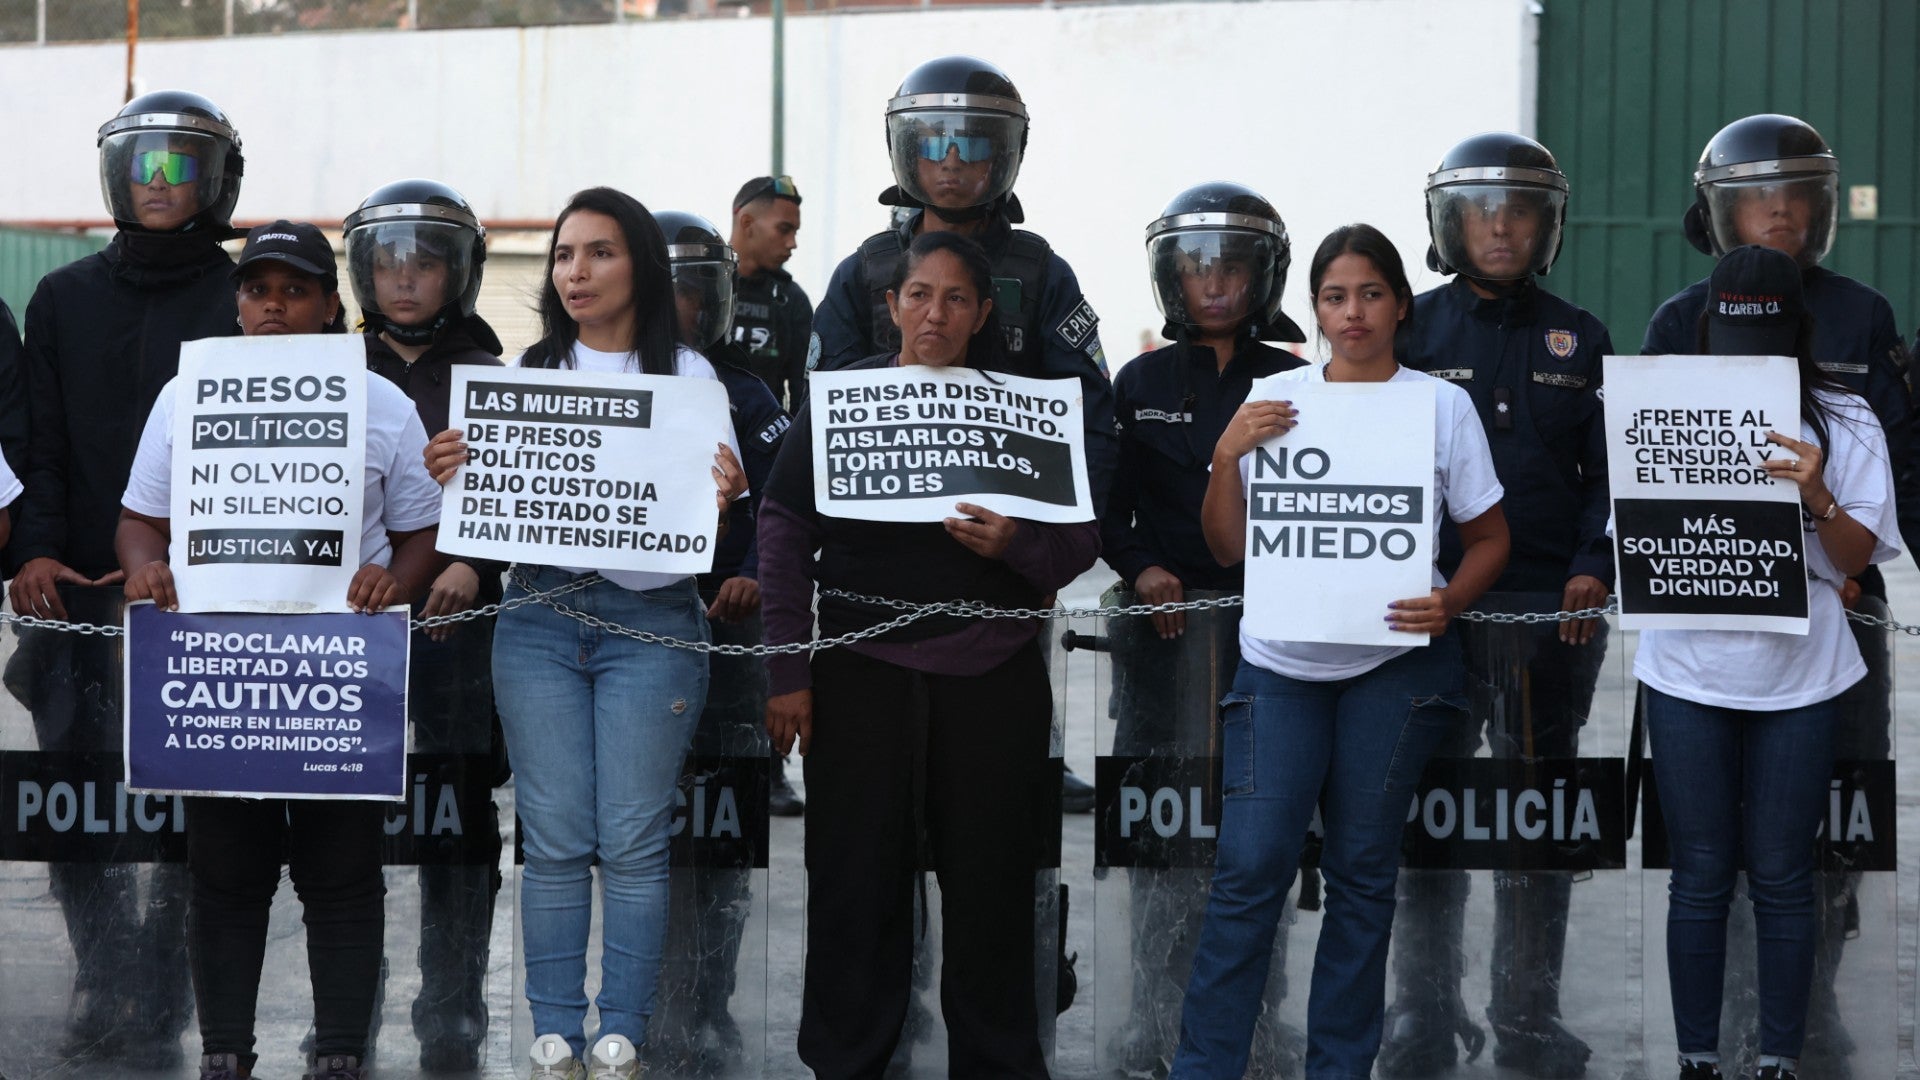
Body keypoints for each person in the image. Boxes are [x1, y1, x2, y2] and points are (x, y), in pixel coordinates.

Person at [1170, 224, 1509, 1079]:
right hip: (1280, 666)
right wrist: (1226, 453)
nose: (1352, 312)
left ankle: (1338, 1069)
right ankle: (1204, 1069)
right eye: (1334, 296)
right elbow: (1226, 548)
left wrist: (1451, 601)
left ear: (1400, 305)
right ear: (1315, 310)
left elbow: (1490, 539)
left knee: (1362, 877)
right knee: (1251, 870)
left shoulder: (1441, 406)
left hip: (1393, 669)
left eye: (1370, 294)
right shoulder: (1273, 398)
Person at [422, 187, 746, 1080]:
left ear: (641, 264)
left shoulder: (690, 378)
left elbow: (707, 524)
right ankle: (556, 1028)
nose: (577, 271)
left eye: (600, 252)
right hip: (539, 620)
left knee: (634, 843)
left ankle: (623, 1031)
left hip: (652, 626)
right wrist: (453, 471)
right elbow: (489, 513)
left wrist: (719, 499)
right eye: (565, 254)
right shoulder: (526, 375)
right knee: (555, 839)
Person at [761, 229, 1100, 1077]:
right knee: (854, 884)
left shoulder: (1025, 409)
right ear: (891, 306)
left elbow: (1077, 546)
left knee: (991, 888)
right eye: (919, 295)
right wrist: (787, 672)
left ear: (983, 314)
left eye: (956, 299)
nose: (935, 314)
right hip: (859, 678)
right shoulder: (840, 402)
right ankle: (847, 1061)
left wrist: (1018, 544)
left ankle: (997, 1063)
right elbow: (781, 531)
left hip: (993, 680)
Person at [115, 220, 445, 1080]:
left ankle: (339, 1052)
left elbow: (422, 529)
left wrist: (395, 580)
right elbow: (140, 518)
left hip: (341, 673)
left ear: (332, 306)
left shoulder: (382, 401)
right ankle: (225, 1051)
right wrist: (146, 567)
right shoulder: (185, 396)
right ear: (237, 305)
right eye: (258, 289)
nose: (273, 305)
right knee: (225, 873)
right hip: (221, 671)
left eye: (295, 290)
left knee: (342, 876)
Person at [1642, 113, 1914, 1077]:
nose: (1782, 213)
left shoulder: (1848, 409)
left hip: (1805, 670)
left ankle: (1784, 1053)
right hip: (1689, 667)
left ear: (1799, 332)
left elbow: (1859, 546)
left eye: (1764, 337)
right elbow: (1630, 520)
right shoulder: (1661, 389)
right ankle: (1699, 1055)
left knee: (1790, 874)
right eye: (1732, 336)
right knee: (1700, 876)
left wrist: (1816, 493)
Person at [9, 89, 247, 1067]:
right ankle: (100, 972)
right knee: (78, 794)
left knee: (196, 796)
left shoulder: (248, 299)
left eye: (179, 162)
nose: (156, 180)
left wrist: (184, 562)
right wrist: (35, 553)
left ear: (217, 181)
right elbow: (40, 445)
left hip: (204, 590)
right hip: (76, 587)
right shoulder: (62, 298)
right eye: (140, 161)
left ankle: (165, 972)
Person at [810, 54, 1113, 814]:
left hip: (998, 555)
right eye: (934, 143)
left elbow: (1089, 422)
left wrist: (1049, 545)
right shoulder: (864, 272)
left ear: (1006, 154)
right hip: (880, 569)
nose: (951, 162)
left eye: (973, 144)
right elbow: (823, 415)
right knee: (880, 804)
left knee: (995, 798)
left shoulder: (1042, 273)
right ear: (904, 151)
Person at [1383, 132, 1613, 1080]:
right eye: (1483, 212)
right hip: (1435, 613)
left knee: (1538, 824)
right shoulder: (1410, 330)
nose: (1504, 228)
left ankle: (1528, 1014)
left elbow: (1610, 474)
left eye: (1522, 211)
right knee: (1426, 819)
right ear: (1447, 224)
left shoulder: (1582, 336)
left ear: (1549, 226)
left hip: (1550, 616)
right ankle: (1422, 1015)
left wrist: (1595, 563)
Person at [1100, 181, 1307, 1076]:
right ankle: (1151, 1014)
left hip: (1270, 638)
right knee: (1160, 830)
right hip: (1162, 636)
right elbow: (1108, 507)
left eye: (1233, 268)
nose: (1215, 284)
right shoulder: (1138, 381)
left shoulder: (1298, 381)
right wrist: (1140, 564)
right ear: (1170, 279)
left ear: (1264, 278)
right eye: (1195, 269)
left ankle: (1263, 1018)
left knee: (1261, 835)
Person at [343, 177, 507, 1073]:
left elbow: (533, 501)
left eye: (427, 263)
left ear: (461, 273)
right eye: (388, 263)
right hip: (349, 632)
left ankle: (453, 1006)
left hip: (456, 635)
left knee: (458, 821)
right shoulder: (329, 375)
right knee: (345, 823)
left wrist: (474, 562)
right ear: (363, 273)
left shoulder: (498, 381)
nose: (405, 279)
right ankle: (348, 1004)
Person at [648, 208, 790, 1073]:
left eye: (695, 293)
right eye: (665, 292)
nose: (681, 310)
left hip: (729, 632)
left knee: (723, 834)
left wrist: (757, 575)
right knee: (638, 834)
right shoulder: (595, 381)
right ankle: (647, 1004)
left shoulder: (747, 393)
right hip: (630, 632)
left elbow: (786, 506)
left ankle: (713, 1005)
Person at [728, 175, 813, 414]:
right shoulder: (701, 289)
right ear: (747, 223)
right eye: (784, 229)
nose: (792, 243)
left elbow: (803, 393)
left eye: (795, 232)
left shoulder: (792, 300)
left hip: (766, 434)